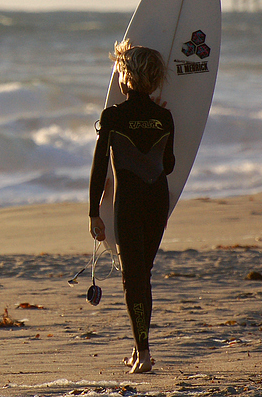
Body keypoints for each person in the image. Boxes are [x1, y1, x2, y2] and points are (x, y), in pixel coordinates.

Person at [88, 39, 175, 374]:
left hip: (129, 205)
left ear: (127, 76)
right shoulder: (165, 116)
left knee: (132, 279)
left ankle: (144, 353)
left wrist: (94, 213)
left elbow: (99, 168)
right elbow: (168, 164)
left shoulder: (113, 116)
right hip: (157, 202)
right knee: (143, 276)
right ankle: (142, 351)